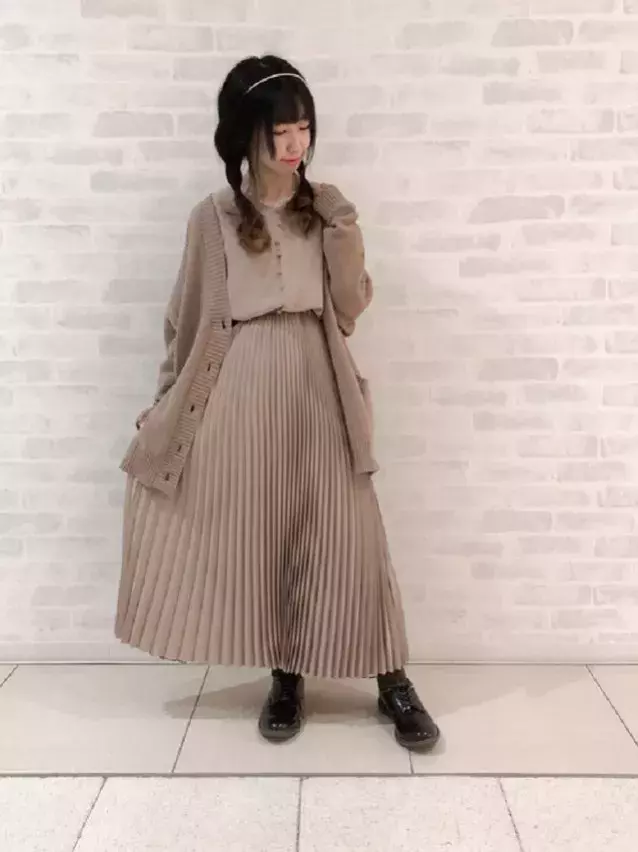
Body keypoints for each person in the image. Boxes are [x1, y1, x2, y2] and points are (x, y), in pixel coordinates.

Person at [115, 54, 440, 752]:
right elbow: (186, 318)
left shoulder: (323, 209)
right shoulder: (213, 218)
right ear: (246, 135)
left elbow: (348, 311)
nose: (296, 145)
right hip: (239, 387)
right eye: (281, 132)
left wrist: (344, 228)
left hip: (316, 380)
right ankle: (285, 678)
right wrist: (167, 400)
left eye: (304, 129)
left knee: (351, 534)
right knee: (268, 535)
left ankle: (393, 680)